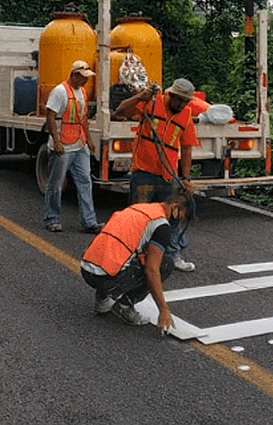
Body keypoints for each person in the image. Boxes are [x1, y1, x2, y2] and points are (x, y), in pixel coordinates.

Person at [114, 78, 199, 272]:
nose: (182, 105)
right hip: (144, 173)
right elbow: (120, 111)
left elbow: (186, 148)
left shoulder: (186, 115)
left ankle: (173, 255)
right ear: (171, 95)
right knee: (138, 217)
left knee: (173, 217)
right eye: (179, 100)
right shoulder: (151, 103)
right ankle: (132, 256)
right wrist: (139, 97)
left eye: (186, 102)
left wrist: (185, 178)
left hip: (168, 177)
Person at [80, 191, 195, 331]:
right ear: (175, 207)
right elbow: (152, 270)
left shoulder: (141, 208)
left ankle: (103, 298)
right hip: (105, 277)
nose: (179, 222)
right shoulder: (161, 225)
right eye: (182, 217)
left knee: (126, 255)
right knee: (165, 265)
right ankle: (124, 306)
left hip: (87, 268)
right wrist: (163, 309)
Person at [43, 60, 103, 234]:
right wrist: (56, 141)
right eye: (83, 78)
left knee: (85, 181)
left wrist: (89, 140)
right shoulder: (60, 91)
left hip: (79, 143)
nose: (86, 81)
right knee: (56, 183)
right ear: (75, 75)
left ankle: (89, 221)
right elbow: (51, 116)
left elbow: (82, 118)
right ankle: (52, 218)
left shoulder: (82, 92)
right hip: (63, 144)